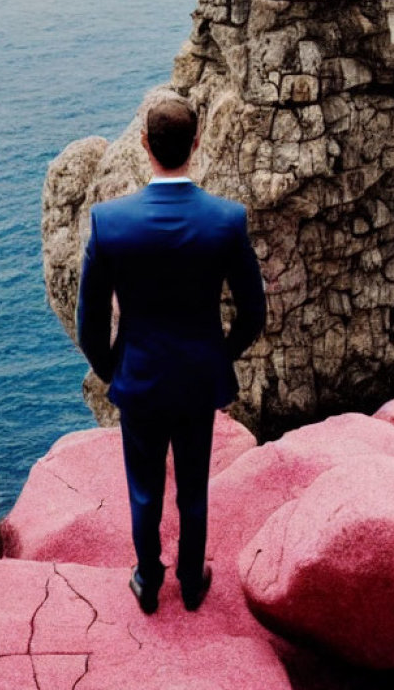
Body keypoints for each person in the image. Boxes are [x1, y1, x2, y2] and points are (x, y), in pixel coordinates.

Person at [76, 89, 266, 614]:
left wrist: (112, 366)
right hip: (198, 379)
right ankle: (191, 579)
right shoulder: (226, 220)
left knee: (144, 490)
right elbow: (253, 314)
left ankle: (148, 580)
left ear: (144, 145)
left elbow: (89, 322)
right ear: (196, 143)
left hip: (138, 377)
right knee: (194, 487)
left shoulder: (110, 222)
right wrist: (217, 354)